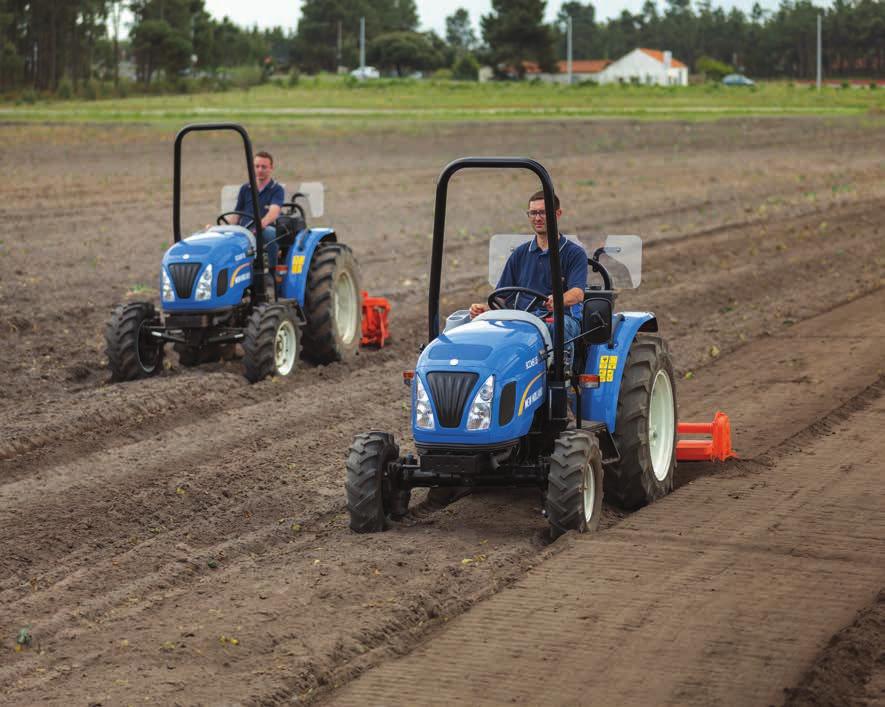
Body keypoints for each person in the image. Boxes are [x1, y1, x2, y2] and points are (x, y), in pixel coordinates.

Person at [469, 191, 588, 354]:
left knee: (555, 326)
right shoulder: (520, 253)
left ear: (558, 214)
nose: (537, 218)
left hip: (560, 317)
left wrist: (559, 300)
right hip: (523, 318)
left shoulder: (573, 253)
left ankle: (561, 376)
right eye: (533, 213)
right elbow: (502, 296)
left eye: (543, 213)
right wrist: (484, 310)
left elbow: (577, 294)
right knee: (473, 327)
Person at [230, 150, 285, 269]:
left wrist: (260, 226)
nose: (260, 170)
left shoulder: (276, 189)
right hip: (245, 230)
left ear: (271, 168)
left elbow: (274, 212)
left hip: (262, 229)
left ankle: (271, 272)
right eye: (257, 166)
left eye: (264, 167)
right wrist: (227, 229)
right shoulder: (245, 188)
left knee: (270, 234)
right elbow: (237, 213)